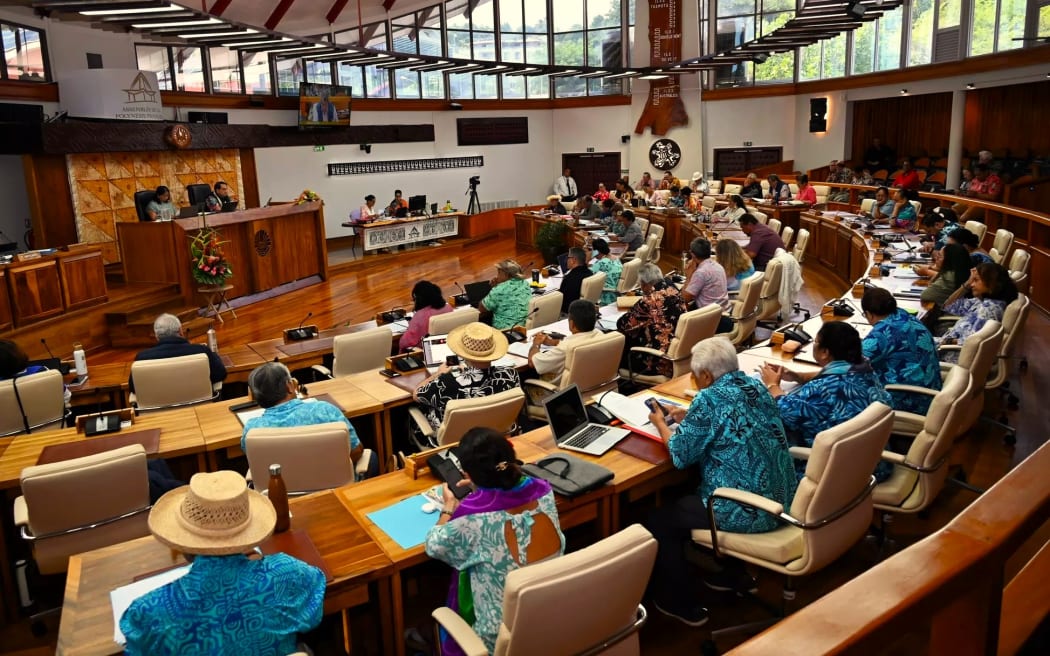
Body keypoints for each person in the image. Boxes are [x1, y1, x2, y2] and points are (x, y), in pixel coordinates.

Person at [644, 337, 795, 626]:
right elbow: (734, 420)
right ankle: (731, 575)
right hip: (780, 497)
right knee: (690, 492)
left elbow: (679, 455)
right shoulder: (757, 387)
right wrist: (691, 417)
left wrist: (661, 424)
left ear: (706, 376)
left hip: (748, 510)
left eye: (694, 374)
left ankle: (679, 602)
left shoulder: (709, 398)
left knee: (658, 520)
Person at [119, 470, 326, 656]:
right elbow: (315, 595)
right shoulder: (285, 574)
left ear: (182, 542)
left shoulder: (147, 613)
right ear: (249, 532)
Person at [425, 427, 564, 655]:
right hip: (552, 620)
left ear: (467, 473)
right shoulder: (544, 491)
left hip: (499, 640)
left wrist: (449, 507)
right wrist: (481, 489)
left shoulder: (472, 517)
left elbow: (433, 545)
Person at [760, 322, 892, 481]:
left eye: (815, 342)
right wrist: (796, 375)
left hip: (835, 473)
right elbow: (831, 377)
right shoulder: (864, 370)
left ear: (824, 352)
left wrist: (772, 385)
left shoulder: (823, 389)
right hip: (872, 462)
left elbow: (787, 414)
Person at [241, 362, 365, 468]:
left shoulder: (251, 429)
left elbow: (255, 463)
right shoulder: (324, 410)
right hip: (333, 487)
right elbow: (356, 450)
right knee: (372, 458)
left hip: (280, 493)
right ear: (289, 386)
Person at [413, 323, 521, 434]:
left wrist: (438, 374)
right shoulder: (511, 374)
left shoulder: (446, 381)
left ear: (462, 354)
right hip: (496, 436)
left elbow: (417, 394)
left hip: (456, 441)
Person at [860, 288, 941, 414]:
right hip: (930, 390)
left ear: (869, 314)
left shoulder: (882, 333)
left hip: (911, 399)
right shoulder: (905, 316)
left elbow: (851, 362)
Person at [936, 263, 1018, 363]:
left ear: (991, 283)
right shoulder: (982, 301)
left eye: (976, 280)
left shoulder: (989, 310)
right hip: (946, 347)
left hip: (950, 357)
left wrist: (943, 342)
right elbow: (948, 306)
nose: (972, 284)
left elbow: (971, 344)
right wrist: (967, 283)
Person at [616, 263, 688, 377]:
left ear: (644, 284)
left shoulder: (648, 300)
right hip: (680, 356)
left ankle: (625, 390)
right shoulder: (673, 289)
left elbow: (623, 324)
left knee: (618, 353)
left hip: (659, 360)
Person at [129, 313, 226, 393]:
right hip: (201, 408)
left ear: (156, 336)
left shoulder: (142, 358)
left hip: (156, 414)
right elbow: (221, 374)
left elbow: (133, 388)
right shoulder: (201, 351)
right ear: (181, 331)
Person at [529, 299, 605, 384]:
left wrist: (536, 344)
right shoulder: (600, 335)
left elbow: (532, 363)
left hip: (556, 393)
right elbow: (577, 340)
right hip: (592, 386)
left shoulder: (565, 348)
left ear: (572, 324)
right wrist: (552, 342)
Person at [681, 237, 732, 332]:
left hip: (711, 318)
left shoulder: (701, 272)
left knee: (678, 312)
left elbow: (684, 299)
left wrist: (688, 276)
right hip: (724, 311)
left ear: (692, 254)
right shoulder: (718, 266)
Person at [400, 280, 454, 351]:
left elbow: (404, 343)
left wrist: (411, 326)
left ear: (419, 299)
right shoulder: (448, 308)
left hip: (426, 353)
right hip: (449, 347)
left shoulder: (419, 316)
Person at [479, 259, 532, 329]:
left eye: (499, 273)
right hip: (524, 327)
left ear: (506, 274)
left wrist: (494, 289)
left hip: (505, 331)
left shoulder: (499, 290)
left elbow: (482, 308)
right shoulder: (525, 283)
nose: (497, 276)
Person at [919, 243, 973, 310]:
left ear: (950, 260)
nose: (936, 258)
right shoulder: (962, 271)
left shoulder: (949, 277)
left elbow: (925, 295)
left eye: (940, 256)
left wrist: (929, 272)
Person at [558, 247, 594, 313]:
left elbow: (561, 299)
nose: (566, 260)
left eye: (568, 258)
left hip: (570, 312)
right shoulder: (590, 273)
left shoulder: (569, 278)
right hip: (586, 309)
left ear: (573, 260)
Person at [590, 238, 623, 304]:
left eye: (593, 250)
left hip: (606, 295)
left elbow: (587, 275)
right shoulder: (616, 258)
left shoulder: (600, 263)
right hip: (617, 294)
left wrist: (587, 259)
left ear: (597, 251)